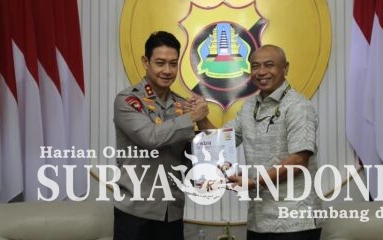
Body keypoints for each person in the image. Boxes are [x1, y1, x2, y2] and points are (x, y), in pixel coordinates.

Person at [197, 44, 321, 240]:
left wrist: (254, 183)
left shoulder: (299, 106)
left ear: (285, 68)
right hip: (259, 221)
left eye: (269, 65)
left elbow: (298, 160)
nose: (261, 72)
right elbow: (221, 141)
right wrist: (201, 117)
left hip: (295, 222)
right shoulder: (249, 106)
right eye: (255, 66)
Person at [112, 31, 209, 240]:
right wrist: (192, 117)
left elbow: (201, 153)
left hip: (172, 212)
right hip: (135, 213)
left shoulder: (182, 105)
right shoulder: (128, 100)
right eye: (160, 63)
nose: (167, 70)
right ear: (145, 62)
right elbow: (151, 137)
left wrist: (202, 119)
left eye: (173, 64)